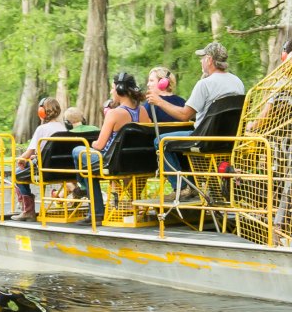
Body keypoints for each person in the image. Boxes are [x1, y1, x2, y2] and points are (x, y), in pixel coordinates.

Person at [152, 42, 246, 201]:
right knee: (179, 140)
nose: (200, 61)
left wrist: (159, 101)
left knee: (160, 141)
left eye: (202, 58)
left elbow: (184, 115)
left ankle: (181, 188)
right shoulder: (237, 82)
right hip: (229, 140)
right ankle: (196, 185)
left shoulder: (205, 84)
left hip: (204, 140)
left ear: (209, 60)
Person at [72, 72, 145, 225]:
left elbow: (100, 145)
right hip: (137, 163)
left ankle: (89, 197)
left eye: (112, 88)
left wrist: (91, 145)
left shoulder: (114, 114)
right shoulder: (143, 111)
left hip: (113, 163)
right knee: (87, 167)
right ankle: (85, 187)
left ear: (119, 89)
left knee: (78, 152)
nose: (111, 92)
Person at [12, 96, 65, 221]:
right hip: (62, 170)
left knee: (17, 174)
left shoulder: (41, 129)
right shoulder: (63, 128)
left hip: (44, 169)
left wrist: (20, 159)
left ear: (42, 112)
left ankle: (27, 210)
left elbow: (29, 152)